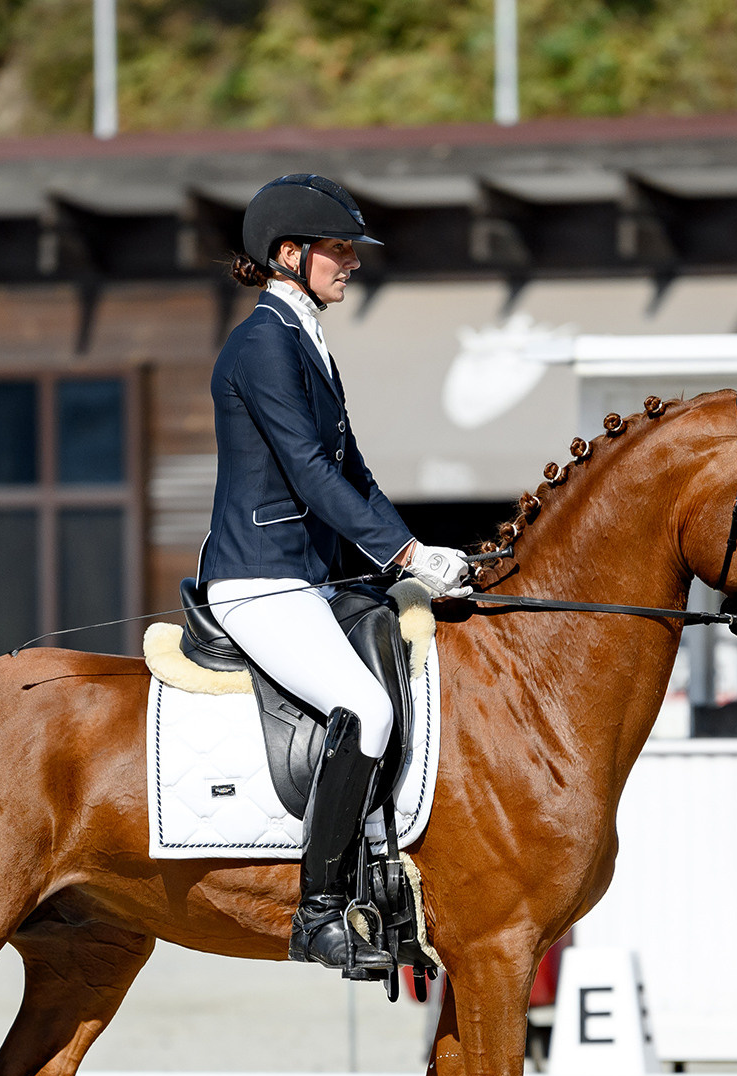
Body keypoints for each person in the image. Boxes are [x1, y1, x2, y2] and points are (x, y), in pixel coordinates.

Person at [203, 173, 473, 974]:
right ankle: (318, 909)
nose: (352, 262)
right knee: (367, 707)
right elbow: (311, 474)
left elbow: (354, 475)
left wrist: (422, 551)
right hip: (260, 579)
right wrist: (405, 557)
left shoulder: (307, 341)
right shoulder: (263, 344)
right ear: (290, 253)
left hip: (309, 579)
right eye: (339, 249)